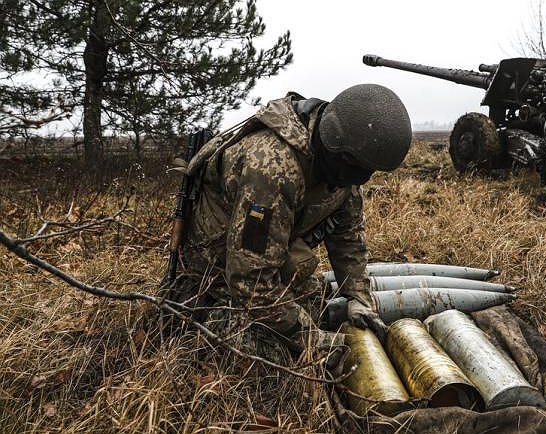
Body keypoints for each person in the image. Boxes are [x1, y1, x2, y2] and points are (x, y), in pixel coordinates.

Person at [171, 84, 412, 355]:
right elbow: (250, 281)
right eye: (358, 170)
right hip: (214, 274)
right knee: (273, 352)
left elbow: (348, 236)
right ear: (338, 151)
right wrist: (309, 339)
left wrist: (357, 296)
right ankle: (202, 319)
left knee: (315, 300)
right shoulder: (272, 168)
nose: (361, 180)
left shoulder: (342, 163)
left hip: (262, 255)